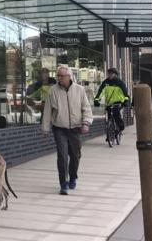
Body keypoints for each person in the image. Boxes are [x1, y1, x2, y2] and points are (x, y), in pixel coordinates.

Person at [42, 65, 93, 195]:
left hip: (75, 128)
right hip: (59, 128)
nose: (59, 78)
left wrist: (86, 123)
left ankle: (73, 176)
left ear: (69, 76)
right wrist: (45, 128)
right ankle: (63, 184)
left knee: (75, 156)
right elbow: (48, 110)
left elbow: (86, 108)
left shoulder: (79, 90)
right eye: (58, 75)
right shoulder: (52, 91)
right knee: (62, 157)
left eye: (62, 76)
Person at [94, 68, 130, 133]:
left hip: (118, 102)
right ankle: (110, 131)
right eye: (108, 73)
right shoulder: (105, 82)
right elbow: (100, 92)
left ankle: (120, 126)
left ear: (115, 74)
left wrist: (125, 101)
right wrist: (96, 99)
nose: (109, 75)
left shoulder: (120, 82)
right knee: (109, 116)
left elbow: (125, 93)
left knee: (116, 113)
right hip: (109, 103)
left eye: (111, 73)